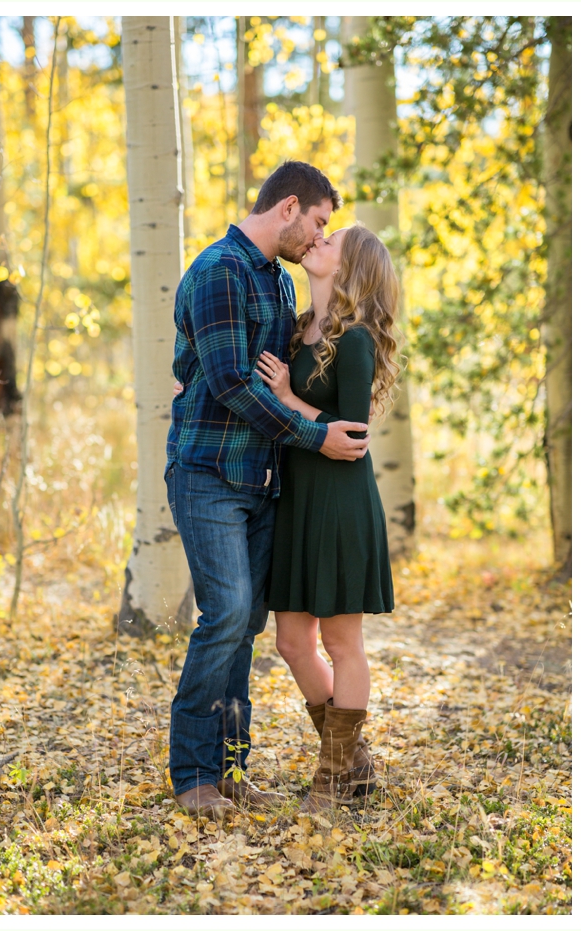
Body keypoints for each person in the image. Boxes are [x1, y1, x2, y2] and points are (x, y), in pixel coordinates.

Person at [166, 161, 368, 819]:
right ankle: (194, 772)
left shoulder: (278, 283)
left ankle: (229, 770)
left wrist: (189, 374)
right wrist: (315, 437)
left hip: (261, 481)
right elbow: (228, 381)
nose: (317, 238)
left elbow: (227, 368)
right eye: (317, 222)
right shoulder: (221, 269)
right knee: (225, 614)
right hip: (210, 475)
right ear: (287, 207)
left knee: (245, 625)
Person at [257, 224, 403, 813]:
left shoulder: (358, 340)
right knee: (292, 642)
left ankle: (332, 779)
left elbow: (354, 434)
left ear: (353, 266)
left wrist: (291, 400)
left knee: (343, 643)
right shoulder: (296, 330)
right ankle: (355, 762)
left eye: (331, 238)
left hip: (341, 500)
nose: (317, 239)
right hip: (296, 498)